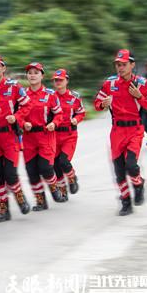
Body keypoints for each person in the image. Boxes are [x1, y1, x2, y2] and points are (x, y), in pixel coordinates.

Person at [94, 49, 147, 216]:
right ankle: (126, 201)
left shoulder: (142, 83)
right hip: (117, 131)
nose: (120, 68)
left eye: (123, 64)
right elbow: (97, 104)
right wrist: (103, 104)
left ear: (132, 65)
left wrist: (138, 97)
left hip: (135, 129)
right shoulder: (110, 83)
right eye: (118, 65)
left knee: (131, 165)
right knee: (119, 170)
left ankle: (138, 183)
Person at [0, 56, 31, 222]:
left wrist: (17, 116)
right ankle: (4, 209)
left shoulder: (13, 87)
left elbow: (26, 104)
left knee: (10, 173)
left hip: (9, 135)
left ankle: (19, 196)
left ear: (3, 68)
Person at [21, 62, 65, 211]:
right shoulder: (22, 95)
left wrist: (54, 123)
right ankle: (41, 201)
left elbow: (59, 114)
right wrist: (22, 123)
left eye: (36, 72)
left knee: (45, 168)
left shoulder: (50, 95)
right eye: (30, 72)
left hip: (45, 135)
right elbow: (17, 115)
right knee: (31, 171)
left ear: (42, 76)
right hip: (28, 138)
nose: (32, 75)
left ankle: (54, 187)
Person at [51, 69, 85, 200]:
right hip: (54, 135)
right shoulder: (51, 97)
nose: (58, 82)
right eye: (56, 80)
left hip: (69, 135)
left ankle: (72, 177)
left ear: (67, 81)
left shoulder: (74, 97)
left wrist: (76, 119)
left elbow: (81, 112)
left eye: (61, 80)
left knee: (63, 161)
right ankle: (62, 189)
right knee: (55, 164)